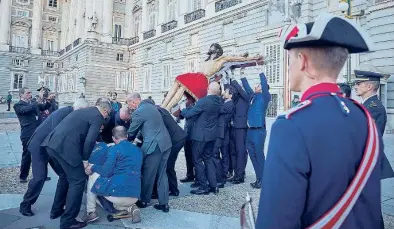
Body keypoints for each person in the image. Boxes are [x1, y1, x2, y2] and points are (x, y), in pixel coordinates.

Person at [256, 13, 384, 228]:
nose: (288, 69)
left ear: (303, 62)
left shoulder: (291, 125)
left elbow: (276, 220)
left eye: (290, 61)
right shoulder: (363, 117)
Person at [41, 101, 110, 229]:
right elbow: (90, 140)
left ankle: (56, 210)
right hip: (66, 149)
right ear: (105, 111)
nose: (104, 122)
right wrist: (85, 160)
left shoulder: (83, 111)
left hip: (52, 144)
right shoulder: (97, 116)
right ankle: (68, 221)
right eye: (106, 118)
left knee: (64, 177)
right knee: (78, 181)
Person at [19, 98, 89, 217]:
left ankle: (56, 209)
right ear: (79, 109)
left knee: (65, 175)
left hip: (52, 147)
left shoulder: (71, 114)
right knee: (40, 177)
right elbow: (58, 134)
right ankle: (25, 205)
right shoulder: (64, 113)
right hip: (40, 146)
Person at [161, 43, 262, 111]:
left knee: (182, 86)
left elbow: (235, 58)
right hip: (196, 77)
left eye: (213, 47)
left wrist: (252, 58)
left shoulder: (221, 59)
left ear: (217, 50)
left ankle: (166, 108)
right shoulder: (207, 60)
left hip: (202, 80)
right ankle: (164, 107)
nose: (211, 47)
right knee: (179, 81)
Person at [84, 126, 142, 224]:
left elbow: (106, 172)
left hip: (120, 193)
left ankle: (91, 212)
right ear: (127, 136)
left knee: (92, 176)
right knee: (118, 202)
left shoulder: (114, 149)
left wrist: (93, 167)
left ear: (113, 138)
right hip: (136, 194)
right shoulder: (138, 150)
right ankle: (132, 208)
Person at [127, 93, 172, 212]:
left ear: (134, 102)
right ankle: (164, 203)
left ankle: (144, 200)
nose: (129, 107)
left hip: (154, 146)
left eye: (128, 103)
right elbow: (145, 128)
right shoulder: (152, 107)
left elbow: (131, 130)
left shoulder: (139, 111)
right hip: (166, 143)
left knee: (148, 173)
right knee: (162, 173)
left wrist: (125, 139)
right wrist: (136, 139)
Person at [180, 82, 223, 195]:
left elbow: (189, 114)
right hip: (212, 135)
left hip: (200, 136)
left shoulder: (204, 101)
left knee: (197, 160)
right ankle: (213, 186)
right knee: (208, 159)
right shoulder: (219, 101)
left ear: (208, 89)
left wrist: (183, 108)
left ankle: (203, 186)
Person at [353, 69, 394, 180]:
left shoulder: (375, 108)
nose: (355, 86)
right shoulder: (367, 105)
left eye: (358, 83)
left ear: (369, 86)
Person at [14, 87, 51, 183]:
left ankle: (42, 175)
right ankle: (23, 176)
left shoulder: (32, 104)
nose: (30, 94)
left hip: (38, 132)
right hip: (27, 134)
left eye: (30, 92)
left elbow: (43, 107)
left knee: (41, 154)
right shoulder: (18, 105)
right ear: (21, 95)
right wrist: (37, 100)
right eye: (28, 93)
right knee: (27, 155)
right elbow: (25, 110)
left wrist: (47, 100)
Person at [241, 72, 271, 189]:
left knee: (259, 155)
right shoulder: (253, 96)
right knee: (252, 156)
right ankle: (259, 179)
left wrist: (261, 73)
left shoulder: (265, 97)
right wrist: (243, 75)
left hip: (259, 131)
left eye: (258, 86)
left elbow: (264, 85)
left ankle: (264, 180)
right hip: (250, 131)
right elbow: (247, 88)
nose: (256, 87)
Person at [156, 105, 187, 196]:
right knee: (169, 164)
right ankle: (173, 189)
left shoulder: (157, 114)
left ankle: (174, 190)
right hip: (180, 137)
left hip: (176, 140)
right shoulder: (161, 110)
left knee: (168, 164)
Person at [227, 72, 249, 184]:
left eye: (234, 88)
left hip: (241, 128)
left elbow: (240, 90)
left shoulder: (246, 97)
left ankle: (240, 176)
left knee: (241, 152)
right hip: (232, 127)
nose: (233, 90)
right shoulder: (234, 99)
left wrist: (233, 78)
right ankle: (236, 173)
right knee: (233, 152)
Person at [212, 87, 234, 187]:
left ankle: (223, 174)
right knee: (219, 153)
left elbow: (219, 110)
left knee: (224, 154)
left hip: (224, 133)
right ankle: (220, 173)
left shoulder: (230, 104)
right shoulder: (224, 102)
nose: (224, 93)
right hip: (220, 132)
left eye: (226, 92)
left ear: (231, 95)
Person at [178, 94, 197, 183]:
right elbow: (180, 116)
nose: (185, 100)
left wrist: (184, 109)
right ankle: (190, 175)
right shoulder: (187, 107)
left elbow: (188, 115)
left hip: (194, 135)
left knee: (195, 157)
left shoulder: (196, 107)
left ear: (191, 99)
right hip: (187, 135)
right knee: (188, 156)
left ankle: (197, 176)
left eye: (186, 98)